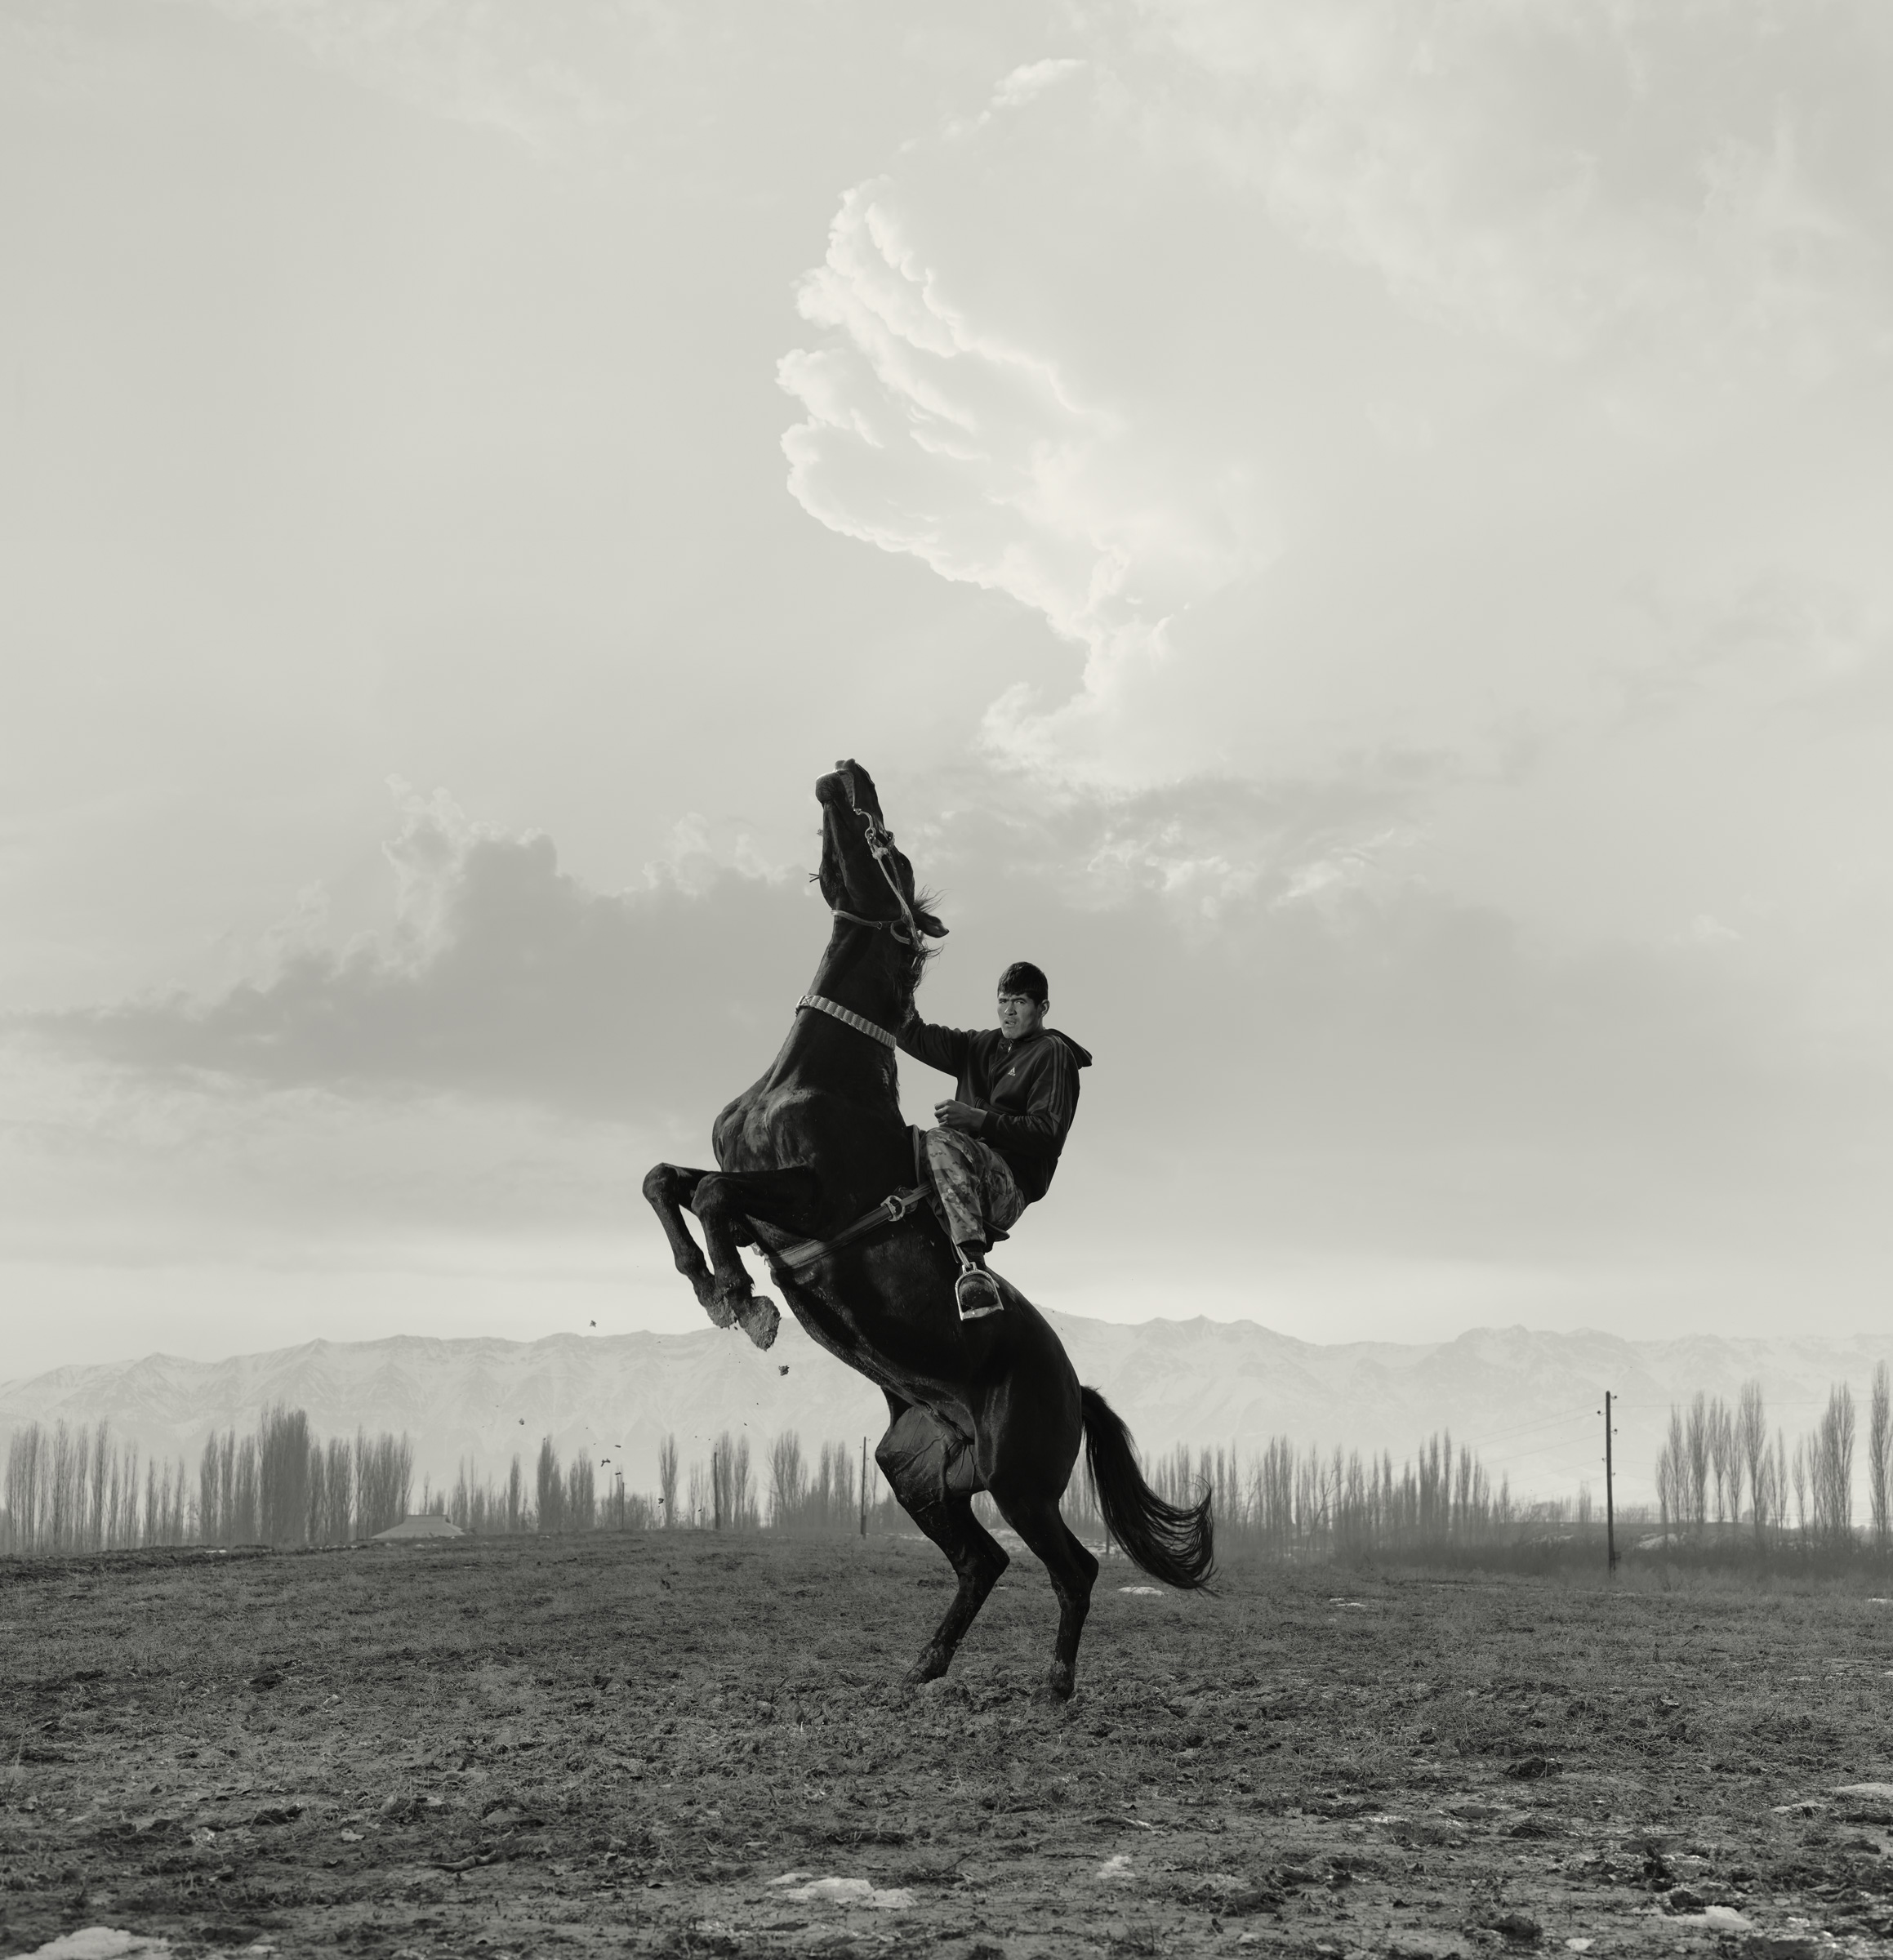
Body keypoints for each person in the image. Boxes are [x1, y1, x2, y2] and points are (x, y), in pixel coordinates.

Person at [897, 960, 1092, 1321]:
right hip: (961, 1171)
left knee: (939, 1141)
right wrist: (896, 976)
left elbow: (1049, 1134)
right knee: (904, 1143)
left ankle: (974, 1269)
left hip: (1008, 1188)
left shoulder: (1052, 1053)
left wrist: (977, 1119)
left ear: (1043, 1008)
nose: (1009, 1011)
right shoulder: (980, 1045)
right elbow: (913, 1033)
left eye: (1019, 1002)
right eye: (1003, 1001)